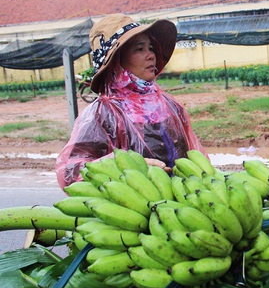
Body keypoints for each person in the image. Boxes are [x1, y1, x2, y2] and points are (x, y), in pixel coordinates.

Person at [56, 14, 206, 188]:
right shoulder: (101, 113)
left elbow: (194, 157)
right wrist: (125, 166)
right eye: (139, 49)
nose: (151, 55)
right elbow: (71, 173)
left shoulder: (170, 105)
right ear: (116, 60)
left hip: (183, 204)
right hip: (132, 208)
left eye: (151, 48)